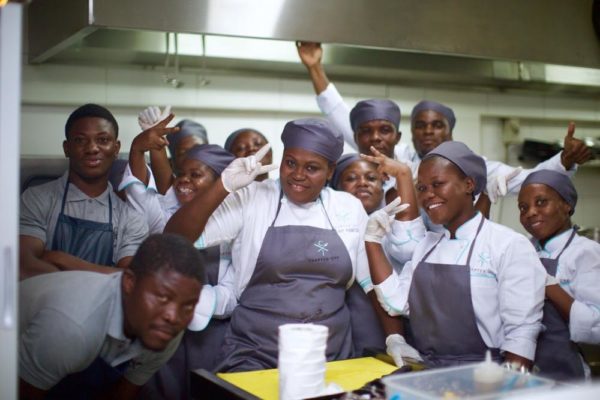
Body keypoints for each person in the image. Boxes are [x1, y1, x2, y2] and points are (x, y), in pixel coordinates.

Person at [165, 118, 374, 372]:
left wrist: (394, 339)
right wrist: (223, 187)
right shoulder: (253, 198)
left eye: (312, 168)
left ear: (330, 171)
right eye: (290, 163)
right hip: (255, 352)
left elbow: (373, 284)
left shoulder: (347, 208)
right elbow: (176, 238)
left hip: (329, 356)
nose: (298, 175)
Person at [296, 41, 592, 203]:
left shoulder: (470, 166)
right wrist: (316, 68)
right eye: (421, 126)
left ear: (451, 132)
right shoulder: (394, 157)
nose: (428, 132)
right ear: (406, 136)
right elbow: (339, 113)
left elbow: (526, 180)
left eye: (437, 125)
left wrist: (563, 161)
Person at [366, 141, 546, 369]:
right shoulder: (427, 246)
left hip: (485, 375)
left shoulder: (507, 245)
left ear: (468, 184)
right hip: (430, 373)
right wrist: (372, 242)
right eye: (421, 188)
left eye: (437, 184)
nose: (428, 195)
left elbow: (522, 333)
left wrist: (508, 388)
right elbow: (396, 303)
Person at [18, 233, 203, 400]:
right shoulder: (74, 325)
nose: (173, 316)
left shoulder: (166, 329)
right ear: (130, 282)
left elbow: (123, 392)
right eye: (162, 297)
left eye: (188, 306)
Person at [19, 103, 148, 280]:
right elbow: (23, 266)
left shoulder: (131, 219)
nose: (92, 148)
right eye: (80, 140)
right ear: (67, 148)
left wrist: (60, 259)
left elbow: (131, 279)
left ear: (116, 148)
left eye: (103, 140)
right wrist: (103, 275)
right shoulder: (36, 199)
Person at [518, 170, 600, 381]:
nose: (531, 212)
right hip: (525, 373)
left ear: (567, 205)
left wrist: (549, 285)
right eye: (523, 207)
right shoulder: (523, 251)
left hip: (566, 375)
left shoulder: (586, 253)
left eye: (541, 202)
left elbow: (596, 325)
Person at [137, 106, 209, 195]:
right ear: (172, 160)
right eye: (183, 153)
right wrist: (155, 134)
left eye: (198, 150)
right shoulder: (173, 189)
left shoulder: (219, 179)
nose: (192, 157)